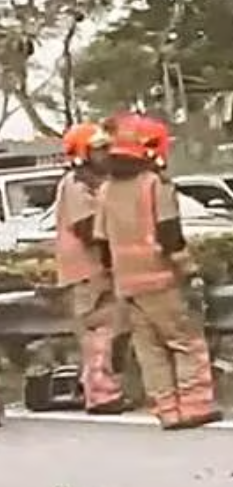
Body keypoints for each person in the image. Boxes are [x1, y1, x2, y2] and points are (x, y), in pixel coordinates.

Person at [94, 112, 221, 430]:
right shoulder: (155, 184)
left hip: (127, 285)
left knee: (149, 349)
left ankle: (166, 410)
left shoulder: (106, 190)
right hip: (162, 279)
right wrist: (190, 271)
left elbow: (100, 240)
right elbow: (169, 234)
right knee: (185, 341)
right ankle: (194, 406)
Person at [55, 121, 130, 414]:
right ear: (82, 153)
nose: (105, 154)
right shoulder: (77, 183)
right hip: (87, 270)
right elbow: (88, 227)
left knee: (108, 331)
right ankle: (101, 395)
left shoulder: (98, 181)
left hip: (99, 268)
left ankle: (100, 390)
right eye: (98, 149)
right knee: (100, 333)